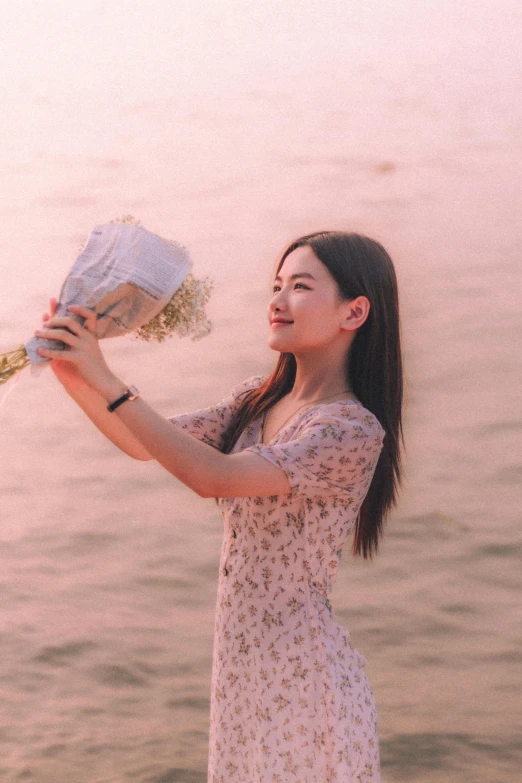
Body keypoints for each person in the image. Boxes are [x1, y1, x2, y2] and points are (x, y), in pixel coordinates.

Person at [35, 230, 404, 782]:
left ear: (354, 312)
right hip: (241, 662)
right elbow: (145, 442)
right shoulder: (257, 400)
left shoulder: (349, 430)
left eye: (300, 287)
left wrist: (106, 377)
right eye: (276, 286)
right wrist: (76, 371)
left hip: (301, 675)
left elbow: (214, 477)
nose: (277, 301)